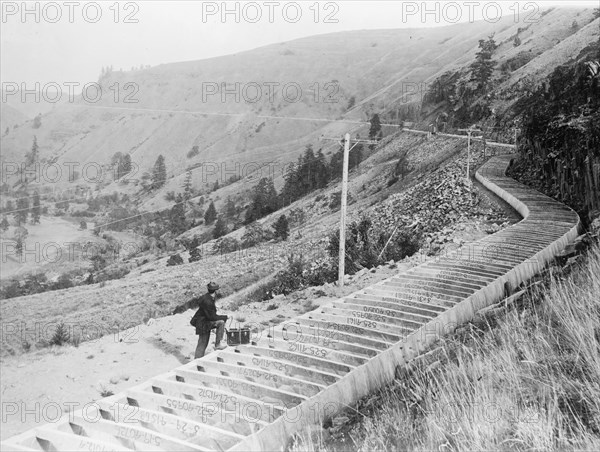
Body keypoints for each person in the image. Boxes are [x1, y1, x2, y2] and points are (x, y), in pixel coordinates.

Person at [190, 282, 228, 358]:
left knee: (203, 343)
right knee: (203, 342)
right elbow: (212, 317)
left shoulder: (207, 298)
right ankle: (217, 345)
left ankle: (198, 361)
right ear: (215, 291)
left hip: (204, 321)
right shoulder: (208, 301)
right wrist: (225, 317)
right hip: (203, 323)